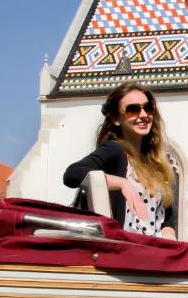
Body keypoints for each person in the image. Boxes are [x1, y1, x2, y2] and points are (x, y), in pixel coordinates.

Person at [64, 83, 177, 239]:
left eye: (148, 107)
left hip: (154, 251)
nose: (143, 114)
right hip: (124, 251)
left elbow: (167, 216)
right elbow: (72, 174)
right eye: (133, 109)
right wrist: (121, 183)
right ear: (116, 119)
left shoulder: (158, 164)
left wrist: (169, 233)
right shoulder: (115, 150)